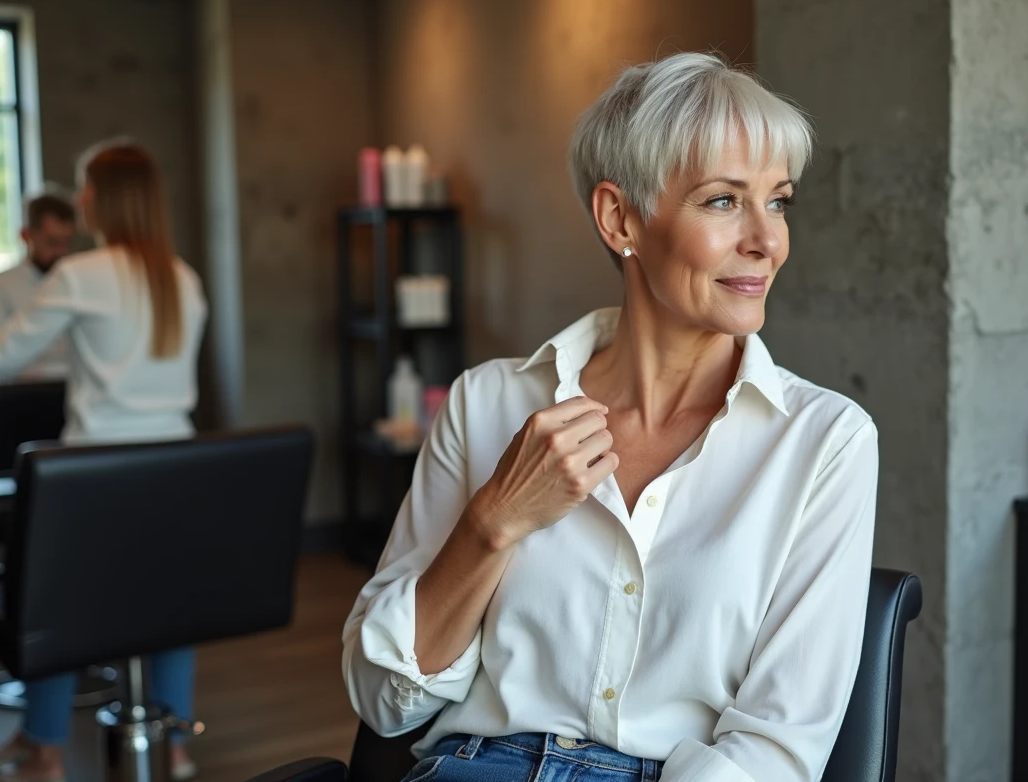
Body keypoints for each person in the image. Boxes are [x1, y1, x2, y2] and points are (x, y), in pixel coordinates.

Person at [342, 52, 879, 782]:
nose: (767, 239)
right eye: (724, 200)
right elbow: (384, 702)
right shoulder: (484, 404)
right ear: (619, 216)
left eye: (778, 200)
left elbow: (776, 751)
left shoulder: (824, 442)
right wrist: (491, 522)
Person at [0, 140, 207, 782]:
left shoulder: (83, 275)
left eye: (86, 187)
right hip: (177, 471)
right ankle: (175, 745)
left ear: (107, 197)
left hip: (94, 478)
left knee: (57, 609)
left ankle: (44, 752)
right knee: (168, 609)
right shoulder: (182, 277)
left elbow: (1, 354)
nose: (82, 199)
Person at [0, 190, 77, 380]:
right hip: (22, 393)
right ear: (25, 235)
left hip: (74, 391)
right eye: (52, 242)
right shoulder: (1, 285)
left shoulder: (77, 282)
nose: (62, 252)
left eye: (66, 242)